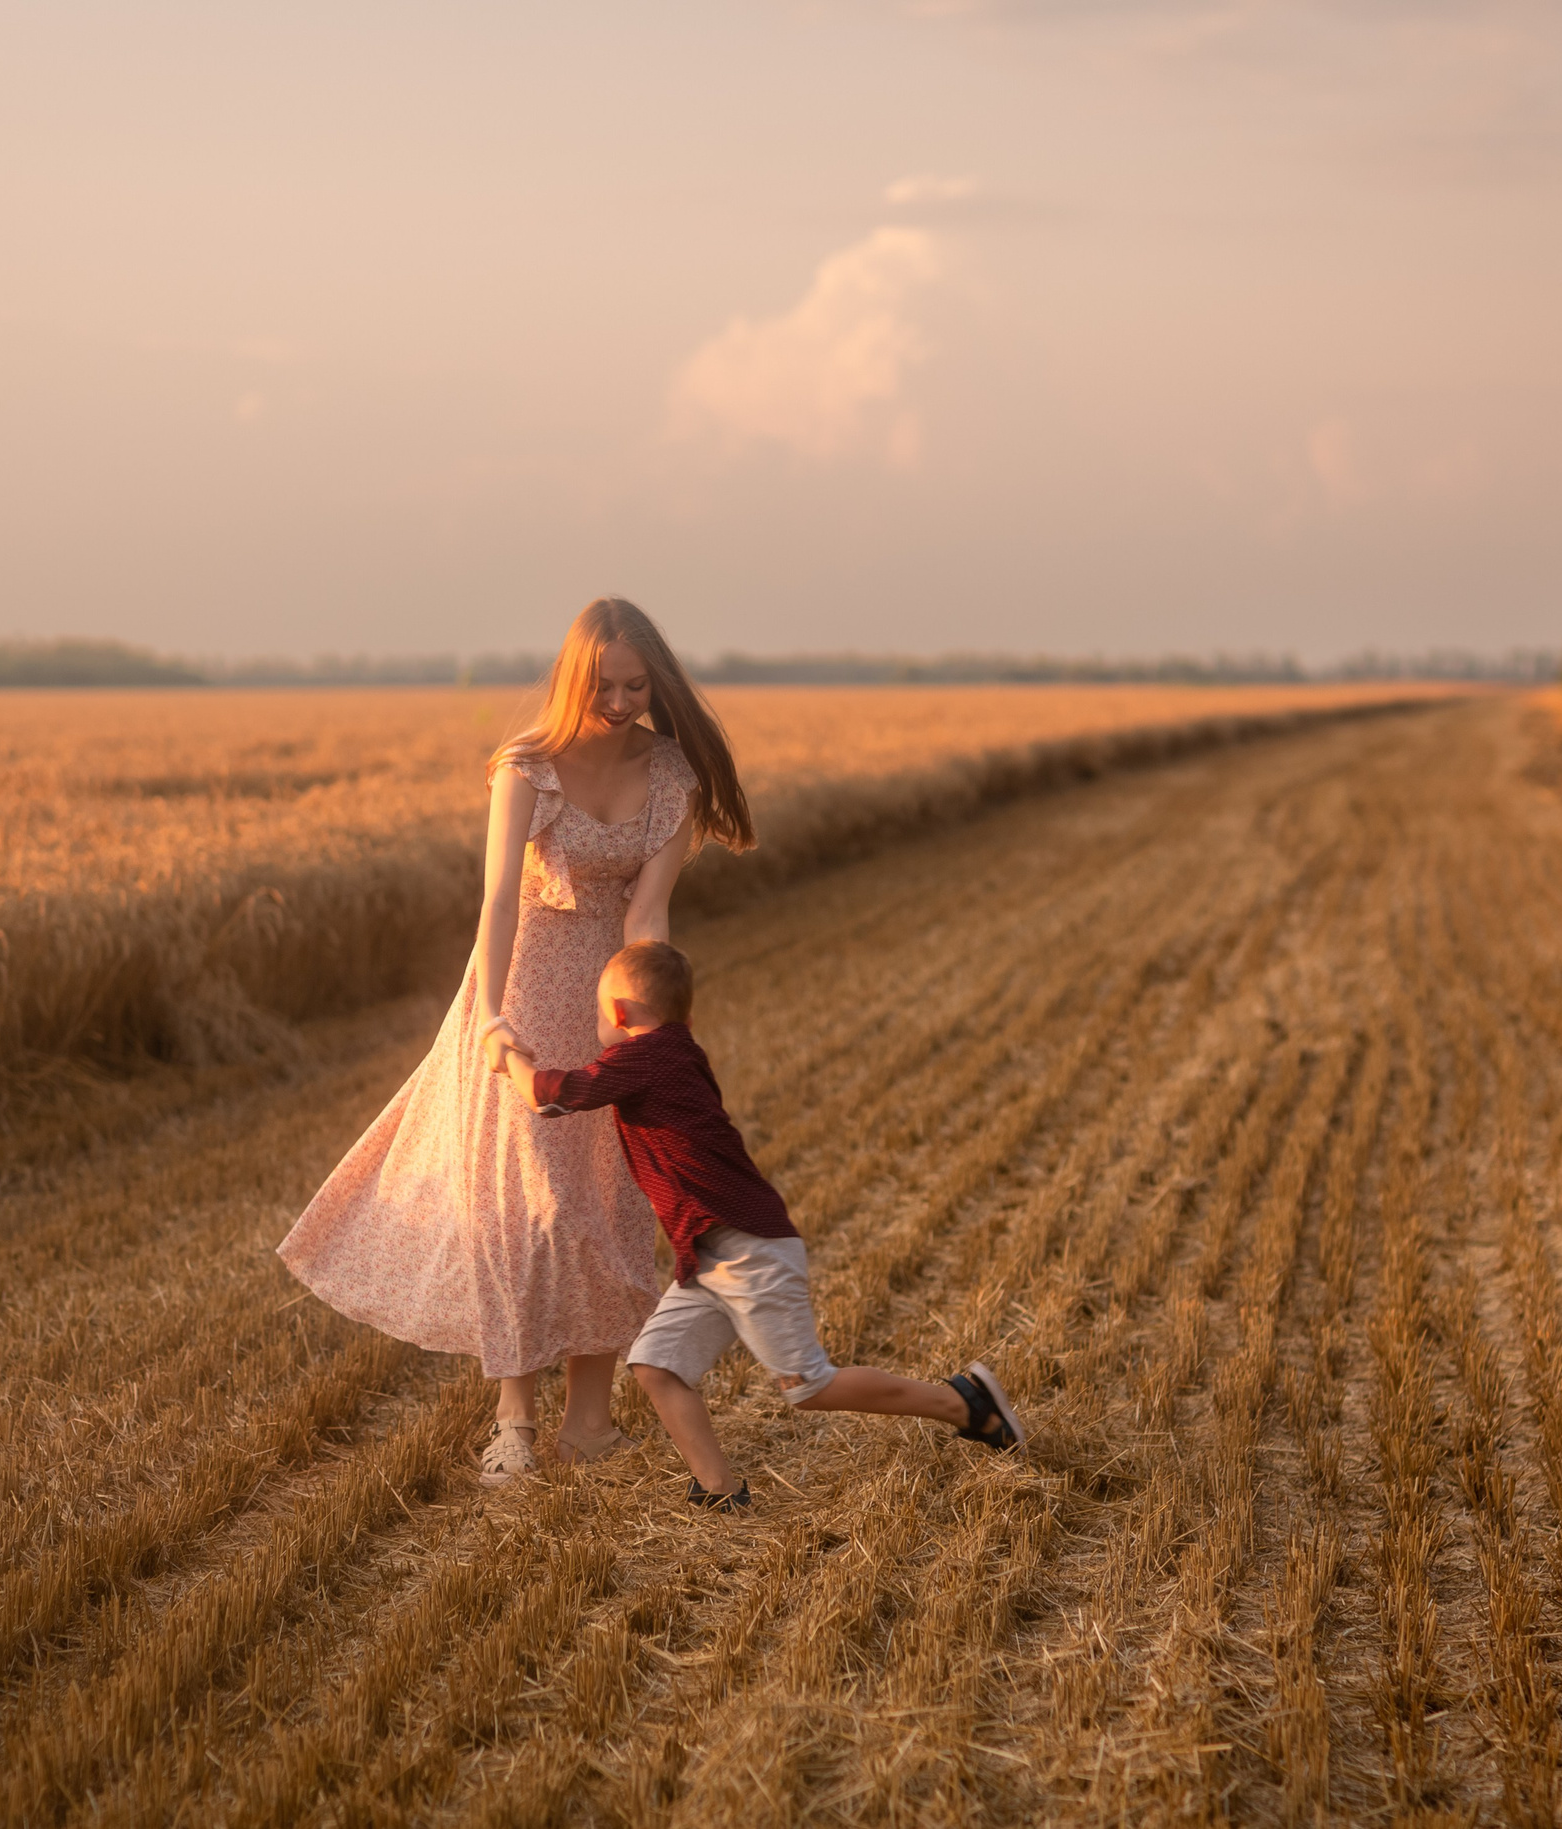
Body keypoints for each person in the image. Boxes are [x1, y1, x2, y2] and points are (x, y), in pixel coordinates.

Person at [279, 599, 755, 1483]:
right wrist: (490, 1013)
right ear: (575, 676)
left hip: (609, 992)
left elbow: (648, 911)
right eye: (604, 684)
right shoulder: (526, 768)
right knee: (523, 1209)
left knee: (604, 1207)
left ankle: (588, 1422)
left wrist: (648, 1029)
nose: (619, 701)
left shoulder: (671, 775)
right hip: (522, 991)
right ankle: (513, 1422)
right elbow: (498, 901)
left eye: (636, 685)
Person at [499, 939, 1025, 1509]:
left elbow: (551, 1097)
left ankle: (964, 1402)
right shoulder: (677, 1049)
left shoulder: (646, 1057)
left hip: (745, 1248)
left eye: (599, 1009)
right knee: (656, 1365)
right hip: (709, 1254)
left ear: (621, 1015)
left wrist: (505, 1051)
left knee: (810, 1387)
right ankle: (720, 1492)